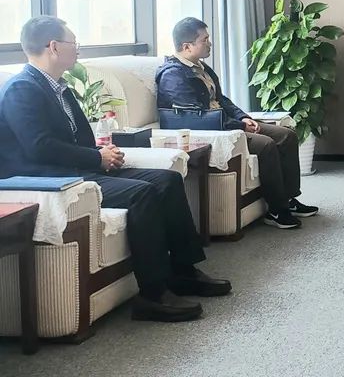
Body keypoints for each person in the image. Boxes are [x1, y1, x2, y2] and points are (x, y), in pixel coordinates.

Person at [0, 16, 231, 322]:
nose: (78, 50)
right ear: (53, 47)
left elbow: (77, 138)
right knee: (142, 194)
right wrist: (96, 159)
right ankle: (152, 295)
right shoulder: (22, 89)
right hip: (51, 179)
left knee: (167, 180)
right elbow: (39, 147)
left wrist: (102, 153)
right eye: (74, 43)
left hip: (76, 168)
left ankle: (183, 272)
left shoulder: (58, 87)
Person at [156, 18, 318, 230]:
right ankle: (277, 210)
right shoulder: (173, 76)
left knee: (287, 135)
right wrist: (240, 127)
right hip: (211, 131)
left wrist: (242, 118)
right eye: (205, 39)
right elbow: (198, 116)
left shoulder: (201, 67)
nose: (210, 43)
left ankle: (288, 199)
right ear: (187, 47)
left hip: (226, 122)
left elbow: (221, 100)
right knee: (266, 145)